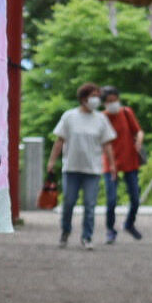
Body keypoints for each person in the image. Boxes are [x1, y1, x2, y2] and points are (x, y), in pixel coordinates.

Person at [47, 81, 116, 250]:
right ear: (84, 98)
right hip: (71, 168)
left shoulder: (101, 119)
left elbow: (107, 144)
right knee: (69, 202)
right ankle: (65, 231)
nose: (96, 100)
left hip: (92, 169)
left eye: (97, 97)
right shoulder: (69, 116)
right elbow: (59, 141)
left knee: (90, 205)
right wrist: (51, 161)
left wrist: (112, 165)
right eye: (93, 96)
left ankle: (87, 236)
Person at [100, 86, 145, 243]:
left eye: (115, 100)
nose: (113, 103)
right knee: (111, 199)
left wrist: (139, 141)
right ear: (104, 103)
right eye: (109, 101)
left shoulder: (126, 112)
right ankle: (110, 230)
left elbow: (138, 131)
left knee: (135, 198)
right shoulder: (101, 117)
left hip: (129, 160)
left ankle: (129, 224)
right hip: (110, 163)